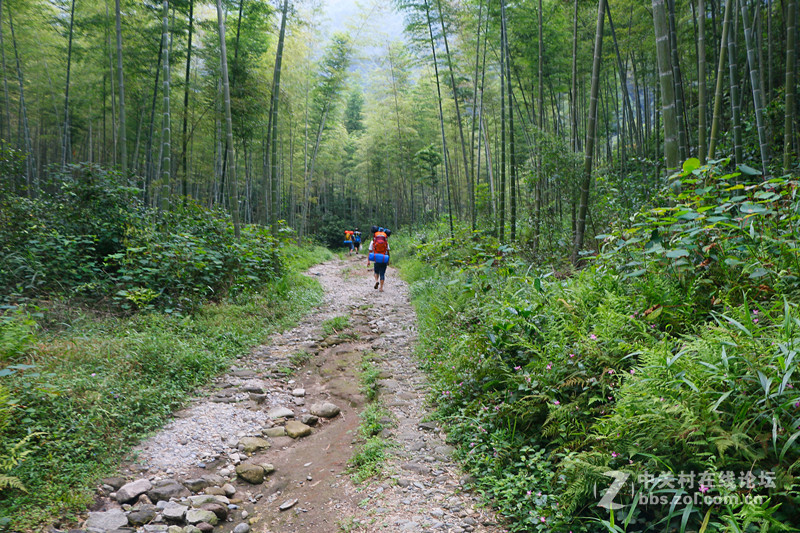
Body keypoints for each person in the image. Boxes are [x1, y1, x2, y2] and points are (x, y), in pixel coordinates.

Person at [367, 226, 390, 292]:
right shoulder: (386, 242)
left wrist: (368, 261)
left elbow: (370, 251)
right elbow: (388, 252)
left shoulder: (373, 242)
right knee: (382, 273)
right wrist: (388, 260)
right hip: (383, 258)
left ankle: (376, 281)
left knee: (376, 271)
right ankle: (381, 288)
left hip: (376, 258)